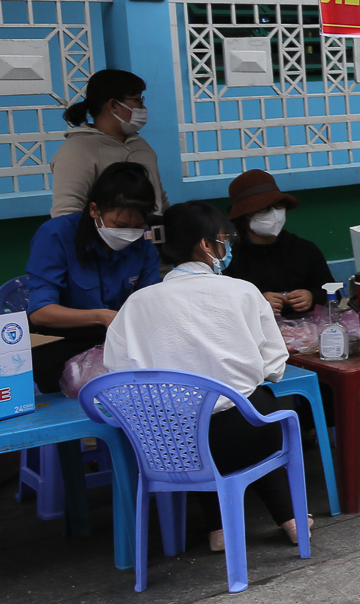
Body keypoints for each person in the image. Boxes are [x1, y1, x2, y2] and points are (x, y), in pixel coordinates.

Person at [102, 201, 306, 551]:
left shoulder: (136, 303)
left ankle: (219, 529)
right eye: (224, 239)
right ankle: (290, 518)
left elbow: (119, 373)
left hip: (166, 446)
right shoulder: (242, 291)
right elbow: (274, 367)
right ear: (206, 245)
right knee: (254, 408)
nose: (228, 247)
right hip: (243, 435)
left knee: (196, 416)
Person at [24, 162, 162, 390]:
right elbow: (40, 313)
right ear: (94, 210)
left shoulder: (143, 243)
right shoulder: (56, 235)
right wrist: (101, 316)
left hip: (117, 342)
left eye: (138, 226)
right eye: (120, 225)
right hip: (62, 343)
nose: (129, 233)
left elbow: (151, 301)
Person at [50, 69, 165, 218]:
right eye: (137, 100)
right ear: (113, 105)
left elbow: (159, 200)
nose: (142, 108)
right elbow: (66, 212)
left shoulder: (141, 145)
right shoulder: (77, 150)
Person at [224, 170, 334, 319]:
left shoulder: (305, 249)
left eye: (278, 206)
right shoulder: (228, 255)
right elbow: (219, 303)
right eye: (264, 209)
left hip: (304, 331)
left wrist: (312, 296)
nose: (274, 214)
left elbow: (334, 291)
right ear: (243, 216)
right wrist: (256, 302)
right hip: (251, 333)